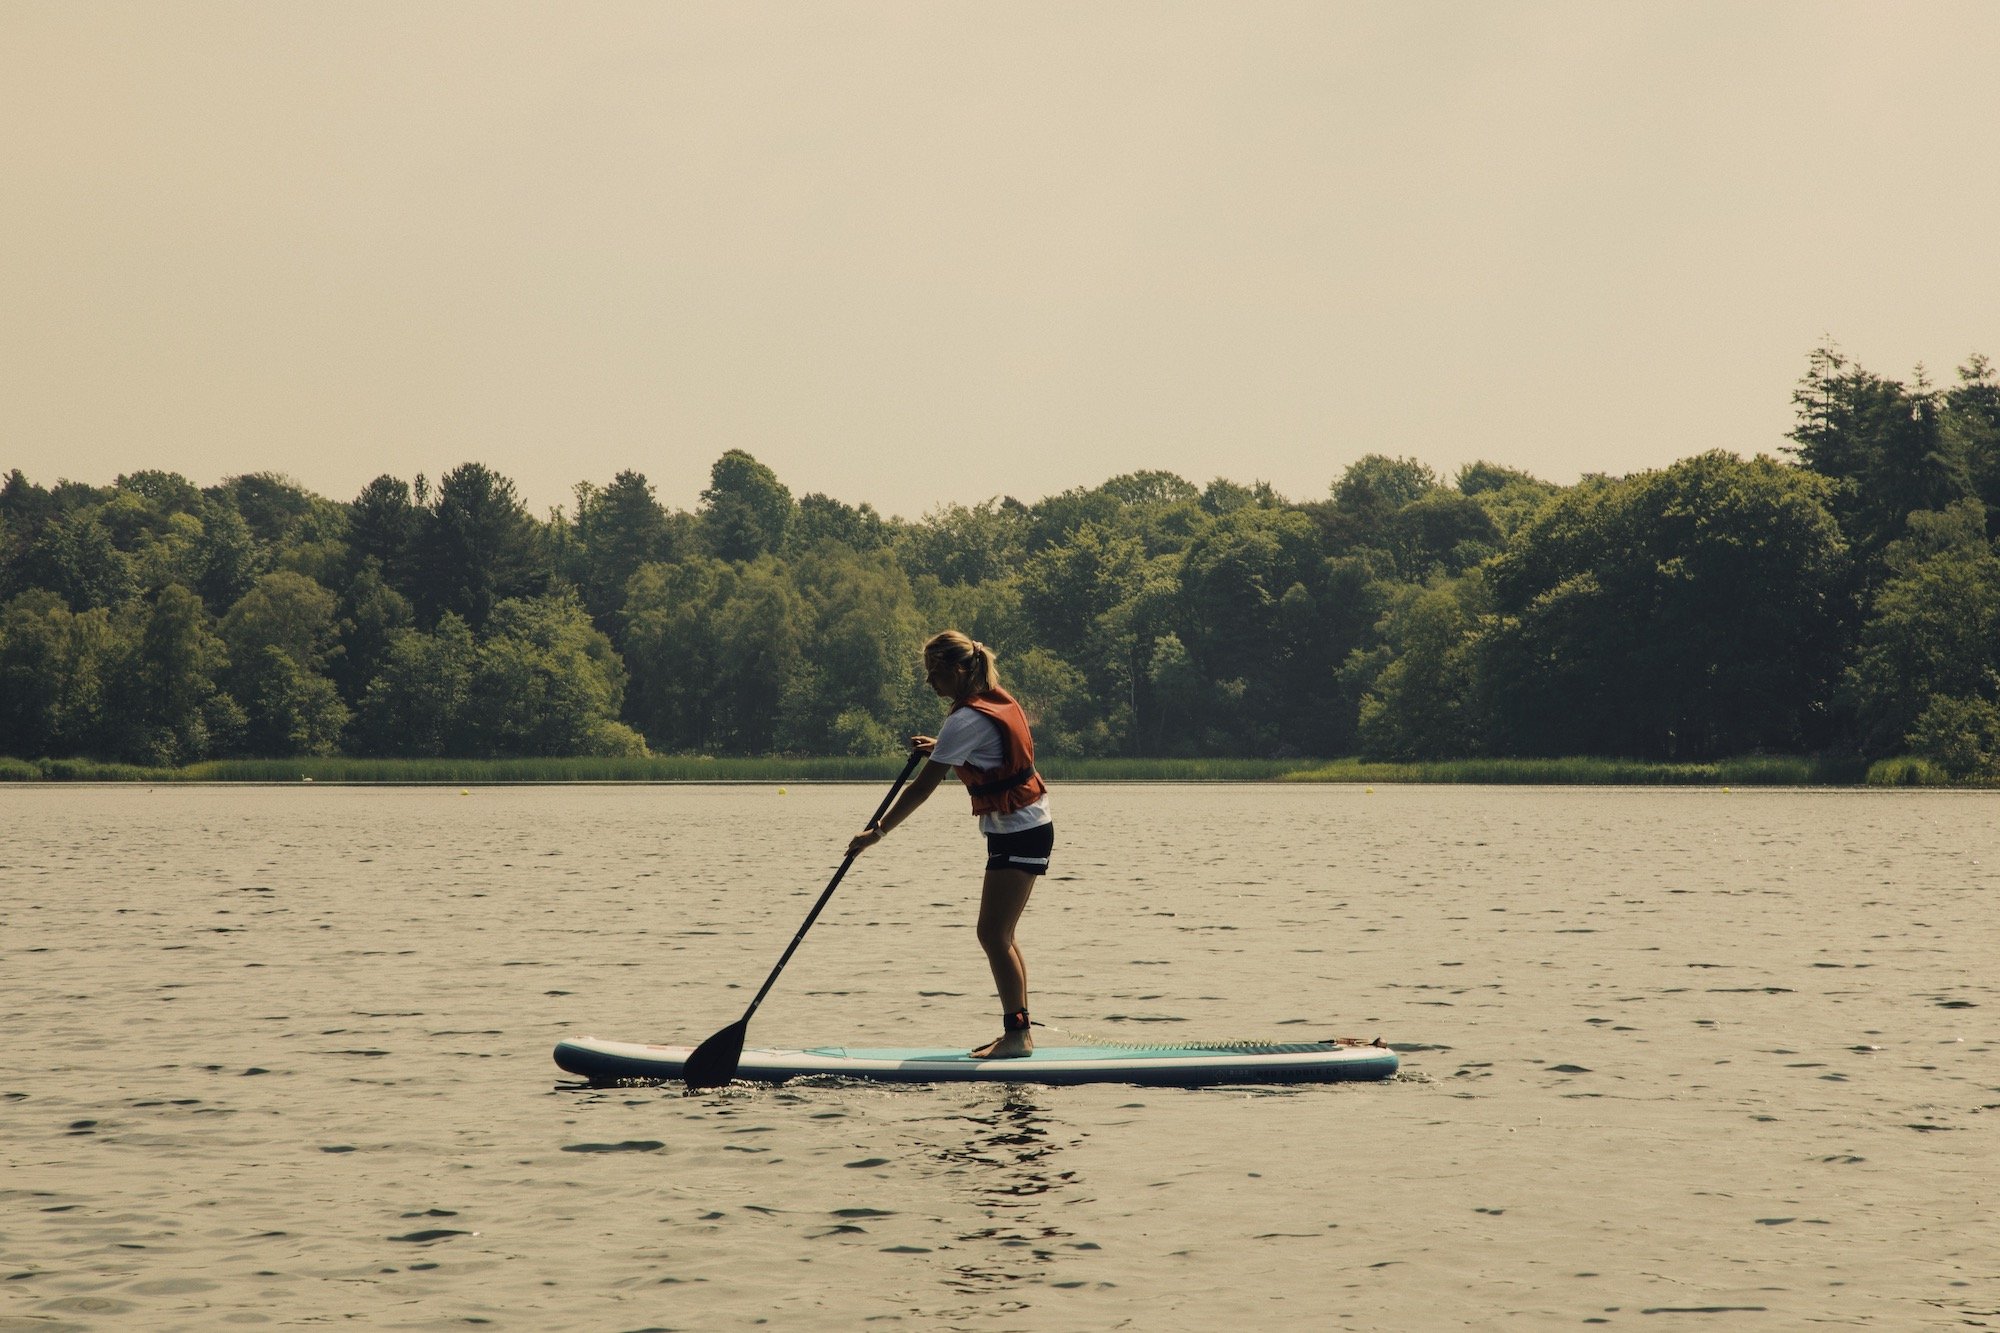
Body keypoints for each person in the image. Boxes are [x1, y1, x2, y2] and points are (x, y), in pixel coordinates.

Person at [847, 630, 1053, 1058]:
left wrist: (877, 833)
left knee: (992, 934)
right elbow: (983, 748)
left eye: (935, 672)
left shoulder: (965, 719)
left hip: (1020, 830)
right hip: (1023, 826)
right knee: (1001, 934)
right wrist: (942, 747)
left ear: (960, 670)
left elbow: (922, 789)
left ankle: (1018, 1037)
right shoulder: (986, 704)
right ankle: (1019, 1030)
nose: (929, 682)